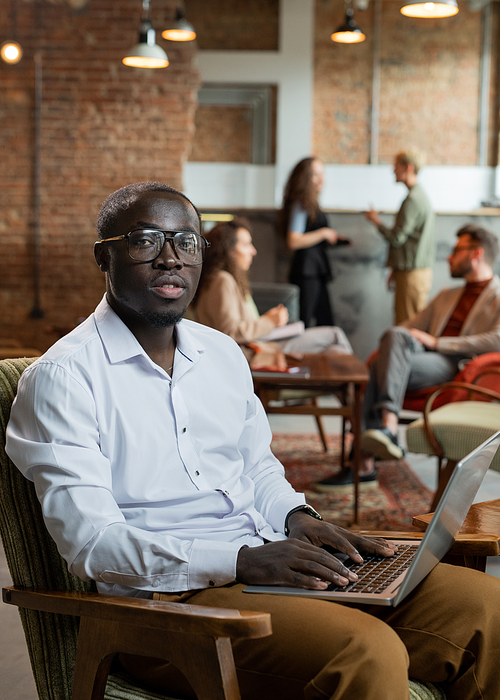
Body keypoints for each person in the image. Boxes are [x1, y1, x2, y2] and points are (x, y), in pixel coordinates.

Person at [6, 183, 500, 700]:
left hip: (271, 562)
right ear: (103, 256)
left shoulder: (222, 354)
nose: (171, 257)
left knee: (484, 607)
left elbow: (259, 469)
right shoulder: (64, 379)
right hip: (167, 608)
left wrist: (297, 519)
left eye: (187, 242)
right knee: (365, 650)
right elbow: (93, 544)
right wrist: (240, 560)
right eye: (146, 241)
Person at [316, 223, 500, 490]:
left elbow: (497, 338)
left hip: (459, 365)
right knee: (395, 335)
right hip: (424, 362)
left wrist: (439, 342)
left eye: (456, 250)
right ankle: (388, 427)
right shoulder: (448, 295)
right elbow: (407, 327)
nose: (448, 256)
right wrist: (405, 339)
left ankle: (362, 462)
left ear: (476, 254)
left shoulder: (497, 295)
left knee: (380, 365)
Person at [194, 217, 352, 362]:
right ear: (228, 250)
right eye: (246, 244)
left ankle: (348, 391)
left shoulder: (228, 280)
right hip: (256, 349)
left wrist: (273, 322)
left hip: (263, 342)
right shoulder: (222, 280)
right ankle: (361, 391)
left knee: (336, 350)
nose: (253, 251)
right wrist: (269, 321)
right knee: (335, 335)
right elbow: (229, 332)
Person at [363, 149, 435, 324]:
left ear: (408, 167)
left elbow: (397, 238)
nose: (393, 170)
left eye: (396, 166)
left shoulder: (413, 200)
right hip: (411, 272)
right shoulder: (418, 196)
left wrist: (376, 221)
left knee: (408, 327)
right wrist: (395, 270)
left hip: (412, 275)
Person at [280, 157, 349, 328]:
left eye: (322, 174)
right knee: (305, 322)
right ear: (305, 178)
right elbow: (293, 240)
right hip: (306, 272)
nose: (321, 179)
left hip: (314, 271)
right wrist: (323, 233)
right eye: (315, 175)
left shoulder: (311, 203)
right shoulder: (301, 204)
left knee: (324, 321)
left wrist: (329, 238)